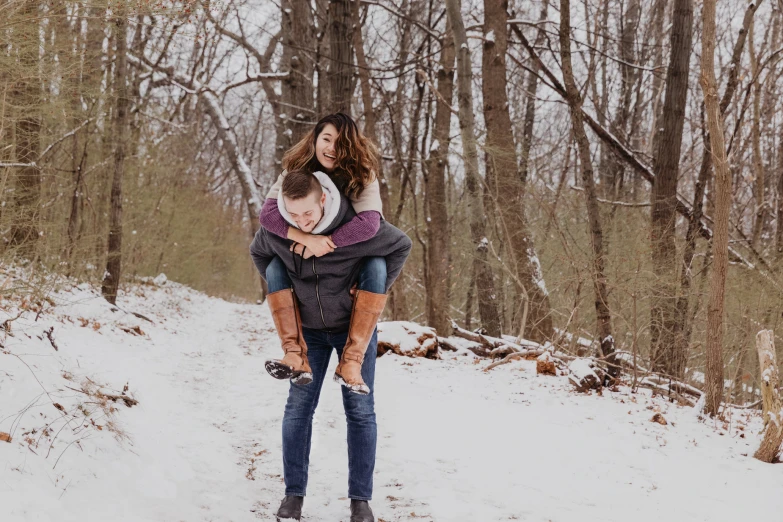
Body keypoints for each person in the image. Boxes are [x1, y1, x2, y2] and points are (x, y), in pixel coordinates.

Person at [250, 169, 412, 522]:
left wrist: (374, 291)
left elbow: (402, 245)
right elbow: (258, 253)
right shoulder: (280, 232)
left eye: (308, 213)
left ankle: (360, 501)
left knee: (360, 411)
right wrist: (290, 277)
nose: (301, 221)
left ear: (323, 199)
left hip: (353, 329)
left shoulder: (354, 228)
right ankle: (293, 496)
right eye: (293, 215)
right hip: (308, 332)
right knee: (298, 409)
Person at [258, 113, 387, 394]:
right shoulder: (296, 169)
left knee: (379, 262)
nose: (332, 148)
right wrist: (304, 239)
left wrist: (326, 242)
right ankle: (292, 352)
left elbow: (369, 225)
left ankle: (351, 360)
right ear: (315, 139)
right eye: (326, 139)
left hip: (348, 279)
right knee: (272, 265)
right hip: (310, 297)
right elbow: (267, 215)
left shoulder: (363, 174)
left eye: (340, 143)